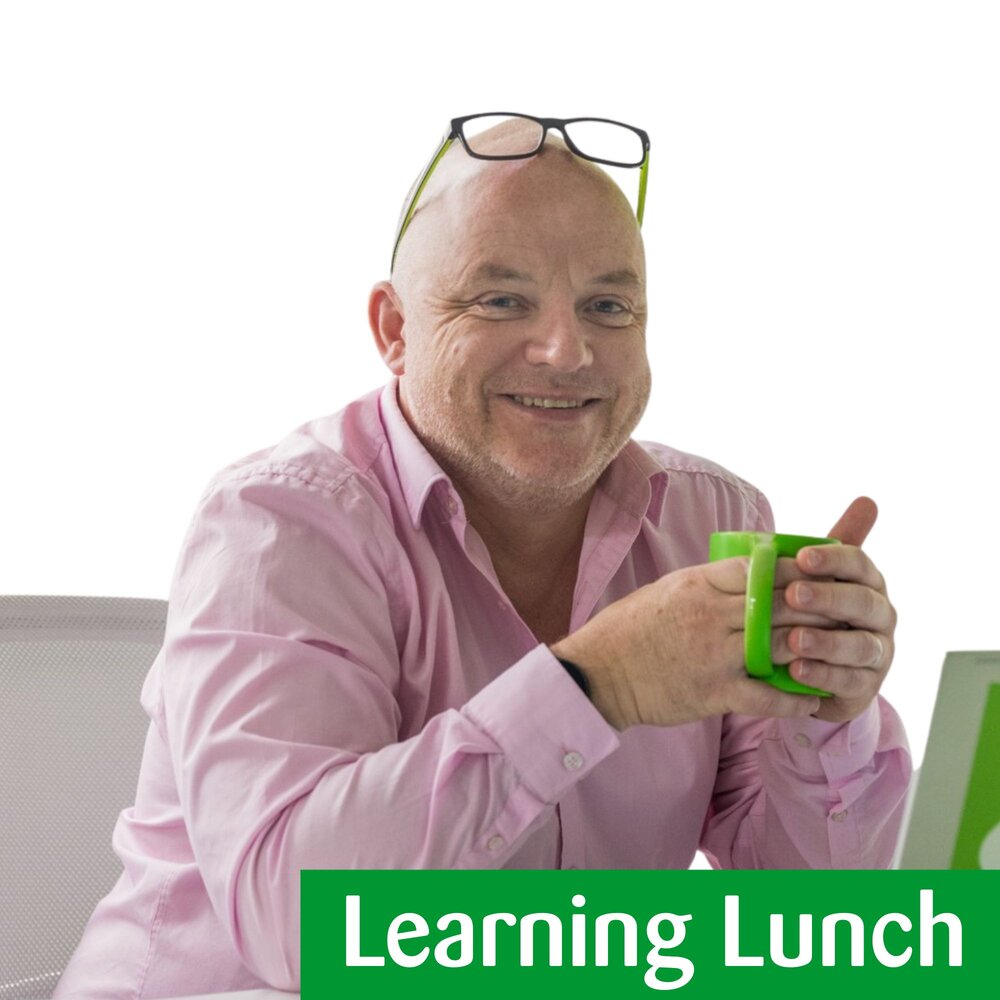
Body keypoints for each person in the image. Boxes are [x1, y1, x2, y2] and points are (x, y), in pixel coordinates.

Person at [54, 113, 911, 999]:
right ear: (393, 327)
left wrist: (828, 711)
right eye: (501, 300)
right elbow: (303, 928)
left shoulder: (714, 517)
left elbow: (815, 929)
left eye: (608, 307)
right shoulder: (276, 525)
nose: (566, 351)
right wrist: (596, 684)